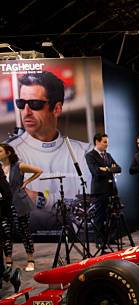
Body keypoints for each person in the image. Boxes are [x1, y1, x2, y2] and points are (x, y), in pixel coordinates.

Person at [10, 71, 91, 230]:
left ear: (57, 108)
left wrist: (41, 199)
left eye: (35, 104)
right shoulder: (9, 153)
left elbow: (89, 209)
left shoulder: (84, 152)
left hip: (76, 244)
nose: (26, 112)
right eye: (21, 103)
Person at [0, 144, 42, 272]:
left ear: (8, 153)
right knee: (5, 232)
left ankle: (30, 259)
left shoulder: (19, 165)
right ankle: (8, 260)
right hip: (4, 203)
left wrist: (26, 182)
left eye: (0, 151)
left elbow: (38, 170)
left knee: (23, 230)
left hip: (19, 202)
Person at [85, 133, 121, 245]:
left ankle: (111, 238)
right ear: (97, 142)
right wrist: (110, 169)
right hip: (99, 190)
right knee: (99, 216)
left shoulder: (108, 155)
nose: (107, 145)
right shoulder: (90, 155)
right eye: (104, 142)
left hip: (112, 189)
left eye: (107, 142)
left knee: (114, 215)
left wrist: (106, 169)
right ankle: (99, 240)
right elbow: (95, 172)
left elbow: (119, 168)